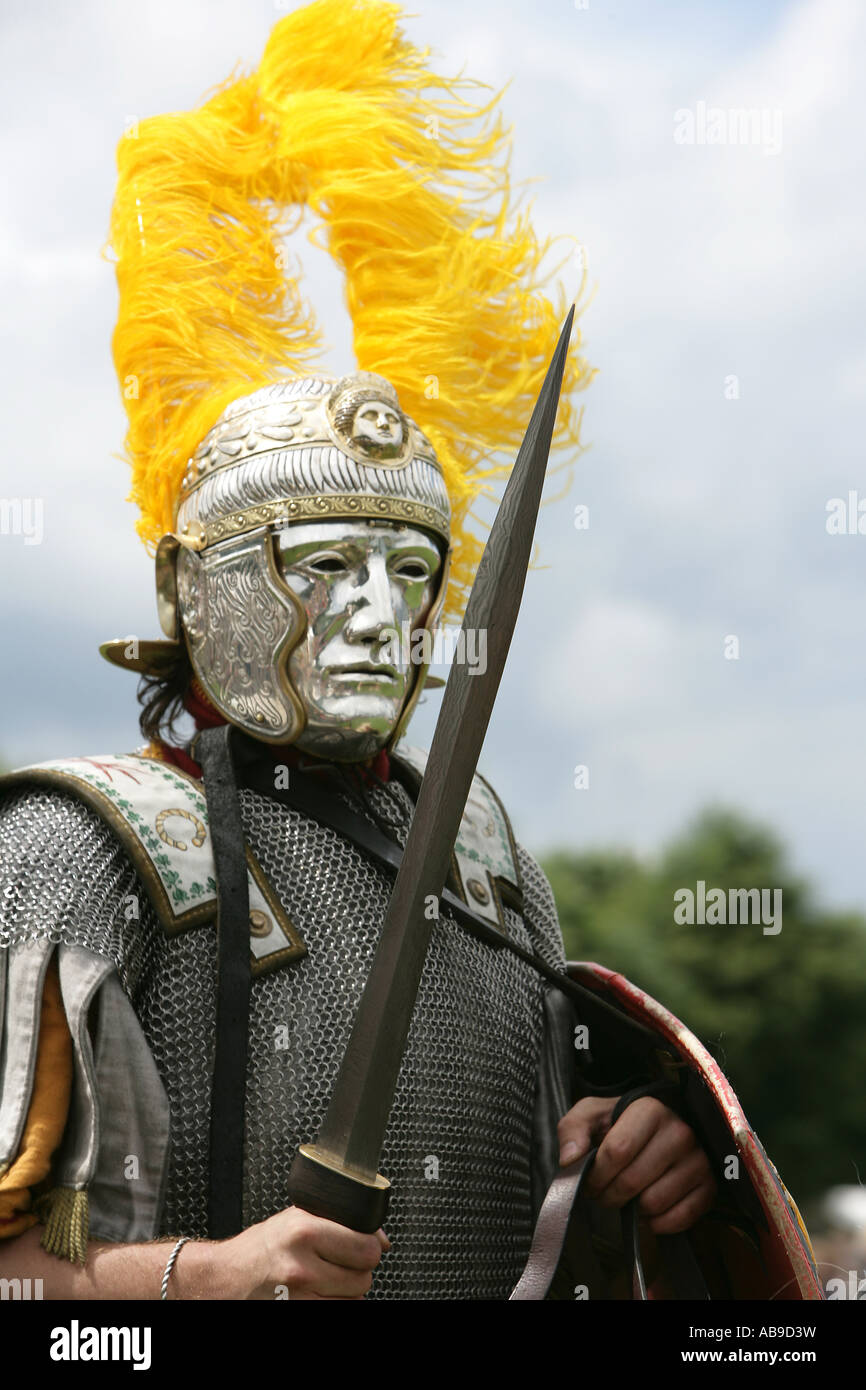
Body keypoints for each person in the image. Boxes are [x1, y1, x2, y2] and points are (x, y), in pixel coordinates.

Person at [0, 0, 818, 1301]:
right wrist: (193, 1278)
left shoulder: (483, 856)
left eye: (413, 571)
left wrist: (623, 1155)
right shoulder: (75, 848)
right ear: (187, 585)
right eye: (322, 567)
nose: (384, 613)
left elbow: (533, 1217)